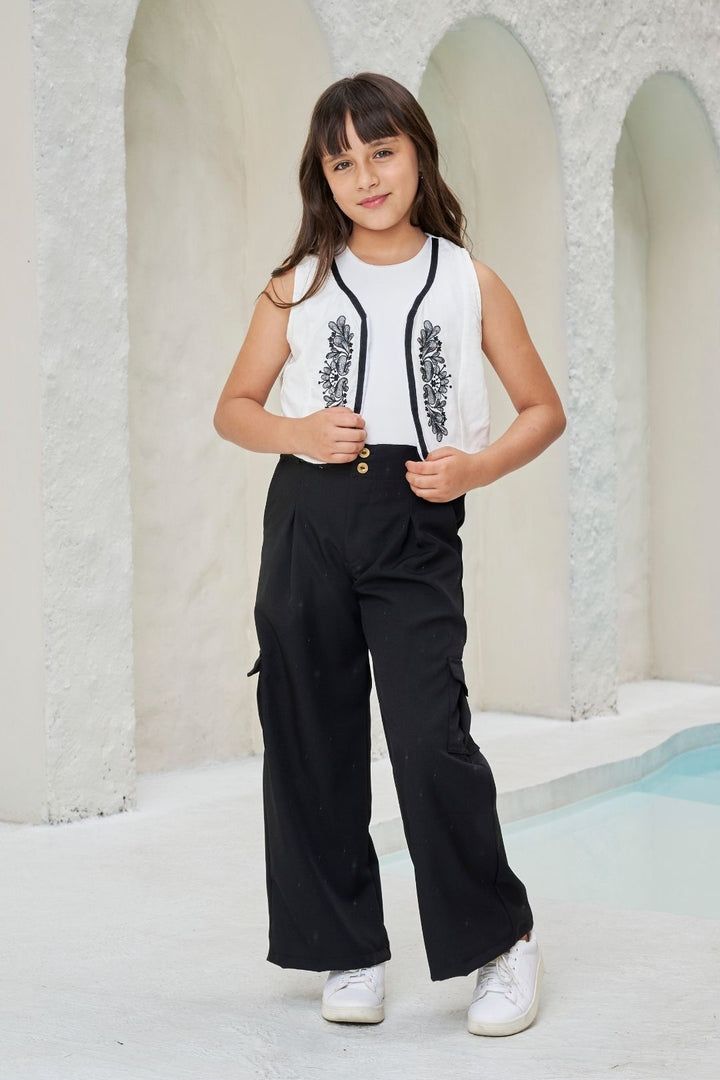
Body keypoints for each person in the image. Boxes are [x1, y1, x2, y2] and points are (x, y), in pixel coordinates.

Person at [213, 71, 566, 1037]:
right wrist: (296, 433)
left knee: (428, 737)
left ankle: (502, 943)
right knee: (311, 735)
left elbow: (543, 410)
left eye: (381, 152)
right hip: (308, 520)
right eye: (342, 162)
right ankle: (349, 949)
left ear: (417, 153)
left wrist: (474, 468)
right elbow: (234, 409)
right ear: (321, 178)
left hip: (416, 519)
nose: (365, 177)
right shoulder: (297, 282)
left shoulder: (468, 280)